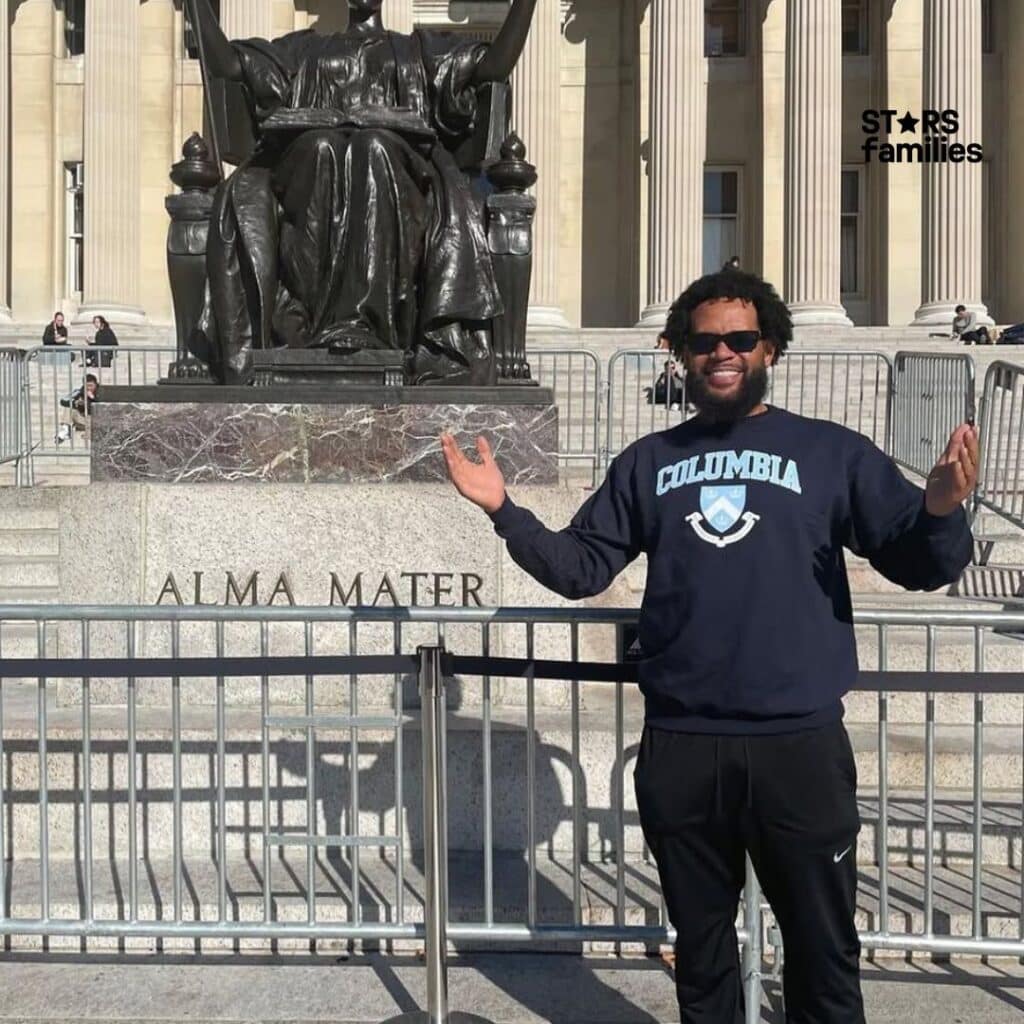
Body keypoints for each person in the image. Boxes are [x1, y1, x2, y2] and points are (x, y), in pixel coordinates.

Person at [441, 268, 977, 1024]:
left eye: (740, 338)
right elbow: (581, 568)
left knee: (824, 953)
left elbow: (919, 564)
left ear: (770, 348)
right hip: (683, 747)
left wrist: (942, 511)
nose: (721, 353)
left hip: (798, 747)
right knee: (701, 957)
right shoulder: (649, 462)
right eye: (704, 341)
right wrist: (504, 509)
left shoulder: (833, 453)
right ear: (679, 353)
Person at [189, 0, 538, 384]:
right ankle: (311, 326)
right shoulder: (305, 51)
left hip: (399, 174)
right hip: (310, 171)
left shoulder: (418, 51)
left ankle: (368, 323)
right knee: (321, 145)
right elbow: (228, 65)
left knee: (373, 145)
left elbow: (494, 67)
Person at [55, 373, 98, 445]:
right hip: (83, 419)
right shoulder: (79, 391)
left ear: (96, 384)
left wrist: (93, 399)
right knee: (69, 408)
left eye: (91, 386)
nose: (89, 388)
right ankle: (66, 431)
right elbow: (63, 400)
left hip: (95, 420)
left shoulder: (101, 392)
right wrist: (76, 403)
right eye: (87, 386)